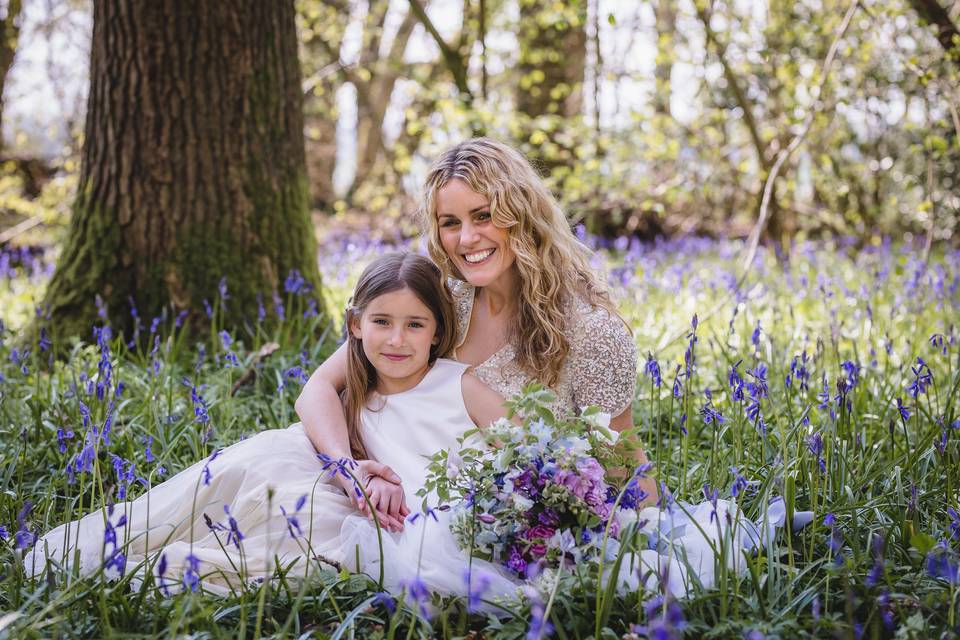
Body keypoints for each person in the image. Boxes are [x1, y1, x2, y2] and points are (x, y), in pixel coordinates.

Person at [23, 253, 515, 597]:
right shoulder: (359, 386)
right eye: (382, 322)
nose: (397, 340)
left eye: (415, 325)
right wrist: (358, 471)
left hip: (433, 517)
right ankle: (125, 543)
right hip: (364, 492)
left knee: (285, 549)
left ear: (437, 333)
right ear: (355, 326)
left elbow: (524, 450)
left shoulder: (460, 385)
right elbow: (315, 395)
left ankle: (165, 564)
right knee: (253, 469)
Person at [296, 138, 657, 527]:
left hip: (495, 523)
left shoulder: (591, 332)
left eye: (483, 216)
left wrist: (637, 533)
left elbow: (623, 465)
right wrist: (350, 471)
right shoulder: (442, 303)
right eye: (450, 223)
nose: (466, 239)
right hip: (389, 494)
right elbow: (319, 388)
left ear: (522, 216)